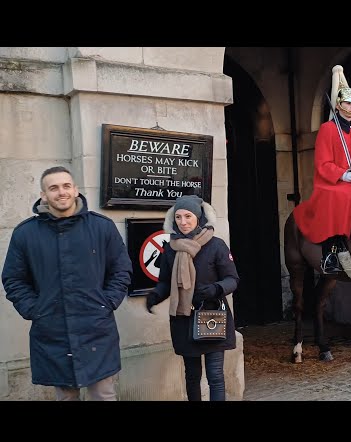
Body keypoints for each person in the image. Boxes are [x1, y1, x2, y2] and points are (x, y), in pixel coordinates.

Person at [1, 166, 132, 400]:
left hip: (97, 330)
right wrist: (35, 309)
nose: (61, 192)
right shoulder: (25, 233)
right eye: (53, 188)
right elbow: (14, 279)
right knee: (66, 396)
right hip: (53, 332)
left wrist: (108, 302)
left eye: (66, 186)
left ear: (75, 190)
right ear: (44, 195)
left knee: (104, 395)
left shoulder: (101, 227)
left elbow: (121, 270)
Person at [292, 64, 351, 273]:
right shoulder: (328, 129)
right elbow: (323, 164)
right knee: (339, 195)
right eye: (347, 103)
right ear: (339, 105)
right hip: (336, 182)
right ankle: (332, 251)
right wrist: (343, 174)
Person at [145, 195, 239, 401]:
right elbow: (165, 282)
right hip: (184, 319)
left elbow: (233, 279)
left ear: (199, 218)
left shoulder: (216, 245)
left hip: (211, 317)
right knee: (192, 376)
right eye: (178, 217)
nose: (183, 222)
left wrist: (215, 289)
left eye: (188, 216)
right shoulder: (170, 248)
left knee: (215, 376)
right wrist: (155, 295)